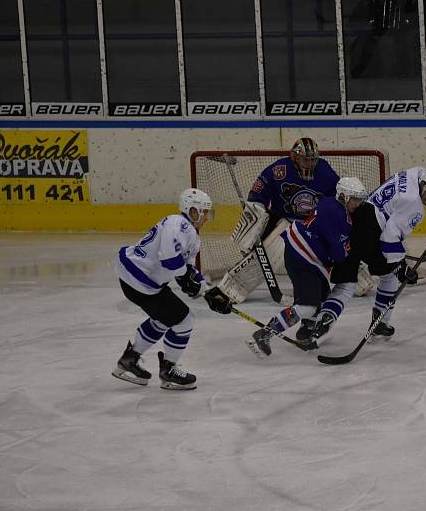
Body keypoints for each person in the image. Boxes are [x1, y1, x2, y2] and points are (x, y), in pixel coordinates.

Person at [299, 167, 426, 347]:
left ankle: (320, 322)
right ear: (424, 185)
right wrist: (400, 266)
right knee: (391, 274)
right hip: (371, 233)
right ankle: (380, 322)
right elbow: (388, 240)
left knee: (346, 283)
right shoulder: (413, 206)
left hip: (355, 218)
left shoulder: (414, 174)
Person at [112, 188, 233, 390]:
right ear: (192, 210)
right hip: (140, 278)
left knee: (163, 318)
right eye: (203, 212)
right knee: (184, 320)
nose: (206, 218)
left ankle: (129, 360)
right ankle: (169, 371)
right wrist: (185, 278)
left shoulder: (192, 236)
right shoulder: (179, 223)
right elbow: (170, 259)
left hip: (136, 278)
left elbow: (188, 269)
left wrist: (208, 292)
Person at [245, 177, 368, 358]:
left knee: (322, 300)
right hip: (303, 255)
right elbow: (337, 252)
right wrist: (349, 254)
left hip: (310, 259)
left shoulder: (337, 209)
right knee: (308, 306)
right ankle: (264, 334)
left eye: (359, 199)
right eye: (354, 199)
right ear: (343, 196)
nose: (357, 203)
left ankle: (305, 332)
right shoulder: (333, 210)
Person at [218, 137, 340, 304]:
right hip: (284, 222)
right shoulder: (279, 170)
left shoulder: (324, 170)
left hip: (313, 224)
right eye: (305, 159)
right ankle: (232, 289)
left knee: (337, 248)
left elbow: (337, 198)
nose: (309, 164)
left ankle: (357, 280)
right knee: (267, 256)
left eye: (313, 160)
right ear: (294, 157)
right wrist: (256, 218)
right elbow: (258, 193)